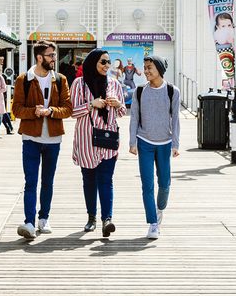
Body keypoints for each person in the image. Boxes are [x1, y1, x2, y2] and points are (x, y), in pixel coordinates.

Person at [11, 41, 71, 239]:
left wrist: (51, 111)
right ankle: (29, 222)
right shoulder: (24, 80)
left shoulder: (60, 80)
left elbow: (68, 109)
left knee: (48, 182)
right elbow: (16, 109)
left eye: (54, 55)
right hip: (30, 138)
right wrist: (34, 112)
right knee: (31, 181)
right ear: (39, 57)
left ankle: (43, 218)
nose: (54, 58)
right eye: (50, 55)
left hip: (53, 139)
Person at [71, 49, 127, 237]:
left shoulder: (114, 84)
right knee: (89, 180)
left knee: (106, 180)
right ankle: (91, 218)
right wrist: (91, 104)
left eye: (108, 62)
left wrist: (118, 104)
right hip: (86, 139)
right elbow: (73, 112)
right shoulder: (79, 84)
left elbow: (121, 113)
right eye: (103, 62)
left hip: (108, 139)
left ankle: (107, 220)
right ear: (93, 62)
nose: (106, 66)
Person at [129, 56, 181, 239]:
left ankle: (160, 209)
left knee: (165, 183)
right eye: (145, 67)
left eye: (149, 67)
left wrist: (176, 143)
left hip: (165, 143)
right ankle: (152, 223)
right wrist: (132, 142)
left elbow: (175, 119)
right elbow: (134, 116)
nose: (146, 71)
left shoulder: (172, 91)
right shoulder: (140, 91)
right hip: (144, 142)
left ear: (159, 68)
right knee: (147, 185)